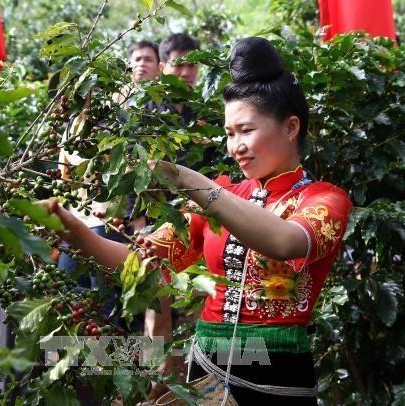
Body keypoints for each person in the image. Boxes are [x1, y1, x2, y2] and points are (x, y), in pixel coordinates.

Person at [40, 37, 352, 404]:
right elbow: (143, 264)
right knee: (60, 353)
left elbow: (284, 242)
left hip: (277, 378)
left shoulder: (324, 200)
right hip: (205, 372)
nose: (235, 146)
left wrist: (190, 180)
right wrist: (72, 229)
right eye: (229, 134)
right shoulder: (223, 195)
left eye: (246, 130)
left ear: (290, 127)